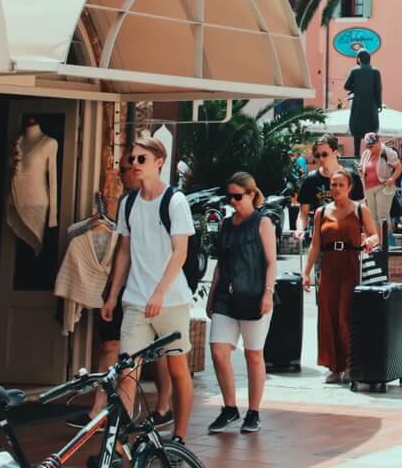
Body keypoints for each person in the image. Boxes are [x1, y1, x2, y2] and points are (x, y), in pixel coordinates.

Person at [101, 137, 195, 446]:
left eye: (141, 159)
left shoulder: (175, 201)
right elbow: (124, 252)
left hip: (171, 300)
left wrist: (159, 293)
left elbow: (179, 253)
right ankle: (119, 442)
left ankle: (179, 436)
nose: (135, 165)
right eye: (132, 160)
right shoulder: (128, 203)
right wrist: (113, 295)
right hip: (135, 301)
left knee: (178, 367)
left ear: (159, 161)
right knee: (128, 372)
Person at [205, 172, 275, 435]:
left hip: (254, 295)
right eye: (230, 196)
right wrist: (212, 296)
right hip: (226, 296)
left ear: (251, 194)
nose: (233, 201)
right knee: (218, 351)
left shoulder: (262, 222)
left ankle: (253, 412)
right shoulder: (225, 224)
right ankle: (229, 407)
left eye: (238, 196)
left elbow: (271, 262)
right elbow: (220, 265)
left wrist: (268, 293)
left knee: (253, 354)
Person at [301, 170, 380, 384]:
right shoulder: (321, 212)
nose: (336, 189)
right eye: (333, 185)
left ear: (349, 187)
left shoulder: (359, 209)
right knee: (327, 316)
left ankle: (349, 364)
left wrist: (370, 241)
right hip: (328, 266)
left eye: (340, 185)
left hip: (350, 264)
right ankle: (333, 366)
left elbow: (375, 235)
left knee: (346, 315)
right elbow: (315, 245)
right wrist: (306, 273)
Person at [358, 132, 402, 243]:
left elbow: (399, 167)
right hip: (368, 188)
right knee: (373, 217)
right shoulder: (366, 153)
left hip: (383, 186)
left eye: (371, 146)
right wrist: (360, 170)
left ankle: (385, 243)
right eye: (367, 146)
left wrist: (392, 179)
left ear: (378, 142)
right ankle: (378, 242)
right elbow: (363, 168)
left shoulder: (387, 152)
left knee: (382, 215)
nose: (369, 148)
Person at [296, 134, 344, 236]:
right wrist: (300, 229)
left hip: (346, 238)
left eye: (325, 154)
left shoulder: (350, 177)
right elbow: (303, 213)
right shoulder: (310, 179)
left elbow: (361, 210)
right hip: (320, 237)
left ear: (335, 153)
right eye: (317, 156)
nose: (321, 159)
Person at [343, 48, 383, 143]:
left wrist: (355, 89)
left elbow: (346, 86)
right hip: (371, 104)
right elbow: (378, 89)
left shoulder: (354, 71)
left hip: (358, 103)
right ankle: (371, 150)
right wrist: (379, 104)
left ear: (359, 59)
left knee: (357, 128)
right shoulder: (375, 71)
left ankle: (356, 153)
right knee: (371, 130)